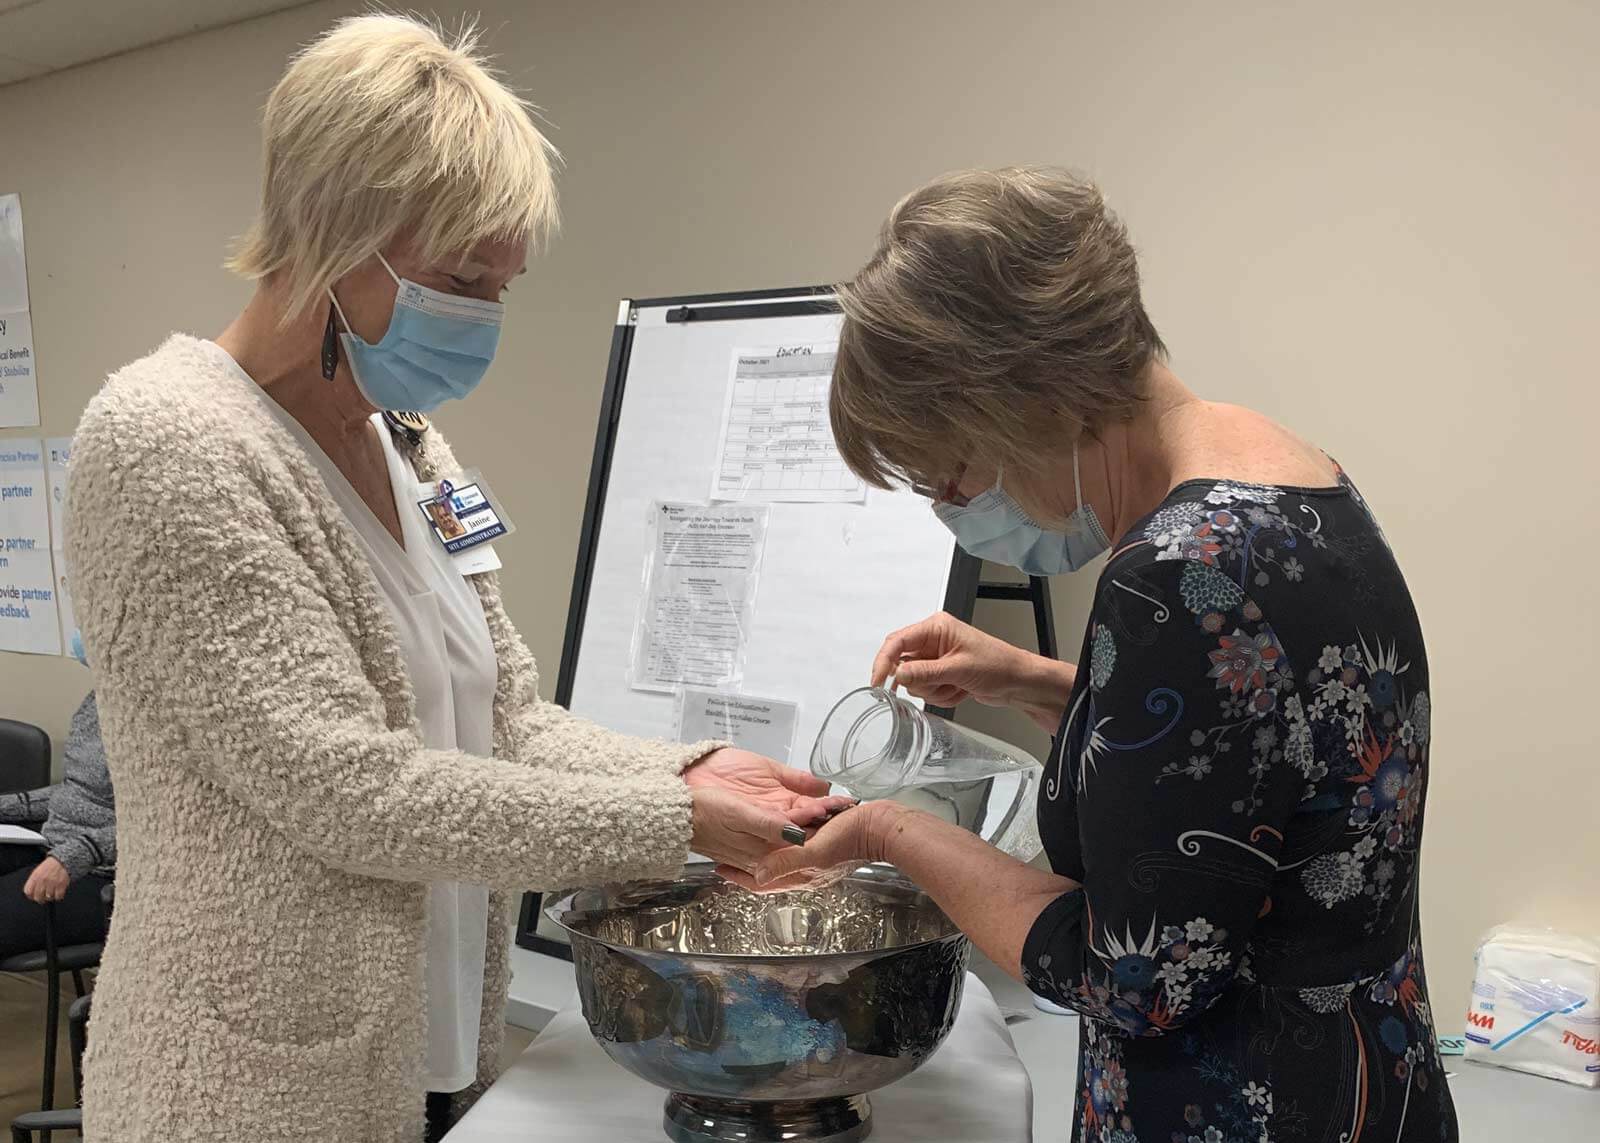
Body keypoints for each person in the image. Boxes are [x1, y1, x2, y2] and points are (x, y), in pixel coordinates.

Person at [63, 17, 847, 1143]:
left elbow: (504, 719)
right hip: (247, 1078)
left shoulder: (408, 439)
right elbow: (343, 788)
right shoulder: (169, 442)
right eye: (458, 277)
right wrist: (677, 818)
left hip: (427, 1039)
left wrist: (696, 766)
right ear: (329, 230)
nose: (481, 315)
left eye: (501, 284)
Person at [750, 167, 1458, 1141]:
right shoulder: (1286, 476)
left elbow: (1132, 979)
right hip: (1373, 1081)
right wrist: (1041, 682)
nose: (965, 517)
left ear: (1023, 396)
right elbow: (1266, 748)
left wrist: (890, 833)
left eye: (955, 476)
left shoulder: (1165, 576)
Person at [0, 689, 114, 958]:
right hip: (53, 845)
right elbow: (75, 790)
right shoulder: (100, 698)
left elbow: (176, 825)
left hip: (108, 874)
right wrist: (7, 805)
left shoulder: (169, 714)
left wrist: (76, 853)